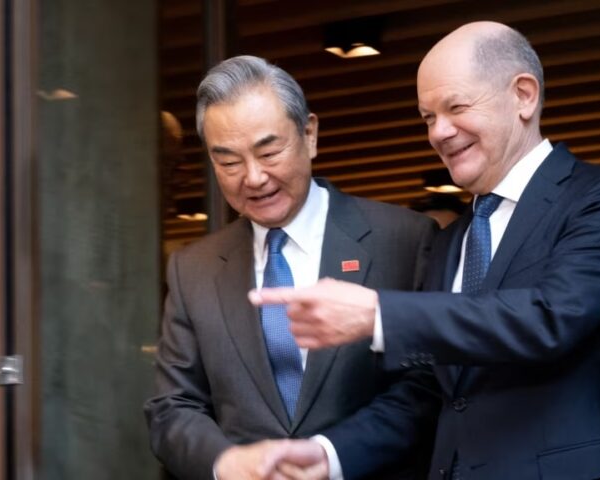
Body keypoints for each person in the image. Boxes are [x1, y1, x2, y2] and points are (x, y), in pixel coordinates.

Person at [251, 21, 600, 479]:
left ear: (524, 96)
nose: (439, 132)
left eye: (455, 107)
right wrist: (331, 454)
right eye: (427, 117)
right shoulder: (452, 240)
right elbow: (431, 392)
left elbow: (549, 318)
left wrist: (378, 315)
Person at [143, 55, 440, 480]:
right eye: (228, 162)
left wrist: (330, 456)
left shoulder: (404, 240)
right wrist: (225, 462)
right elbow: (172, 407)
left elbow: (425, 385)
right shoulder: (194, 269)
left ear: (309, 134)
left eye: (269, 151)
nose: (254, 177)